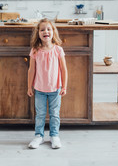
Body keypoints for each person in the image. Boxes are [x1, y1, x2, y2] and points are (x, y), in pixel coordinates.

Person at [27, 18, 68, 149]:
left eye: (49, 29)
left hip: (55, 89)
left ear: (53, 32)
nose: (46, 32)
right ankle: (38, 136)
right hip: (39, 89)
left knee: (55, 114)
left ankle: (54, 136)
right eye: (42, 29)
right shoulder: (35, 50)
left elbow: (64, 69)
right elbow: (31, 69)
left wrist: (64, 86)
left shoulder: (58, 50)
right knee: (40, 114)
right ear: (38, 33)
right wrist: (29, 86)